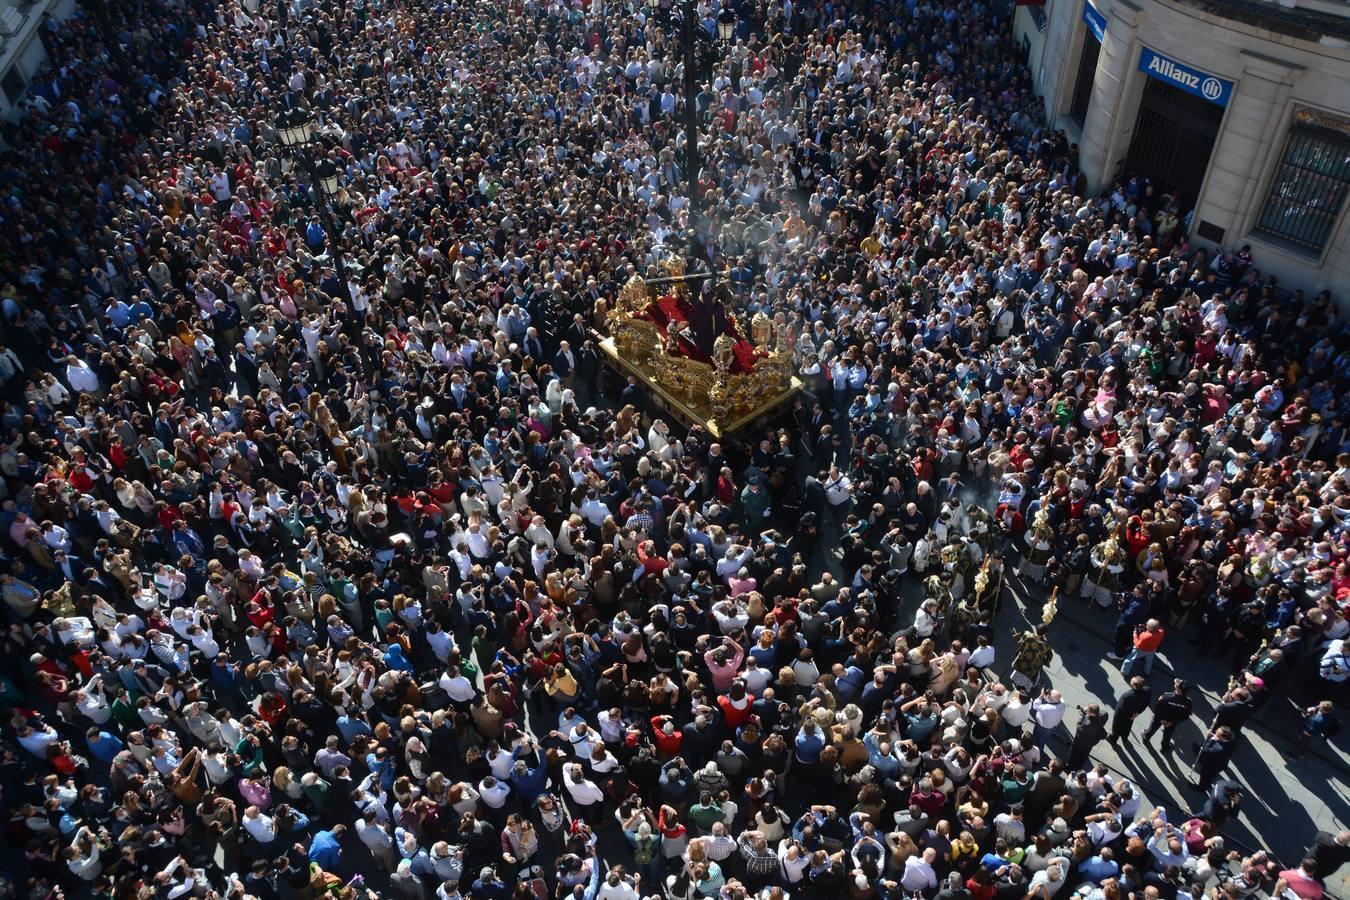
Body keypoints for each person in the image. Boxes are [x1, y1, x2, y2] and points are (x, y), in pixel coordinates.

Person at [1143, 681, 1193, 752]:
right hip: (1172, 721)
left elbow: (1158, 708)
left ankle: (1146, 737)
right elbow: (1185, 716)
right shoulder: (1188, 702)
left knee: (1153, 727)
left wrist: (1162, 720)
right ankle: (1164, 747)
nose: (1175, 684)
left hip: (1160, 717)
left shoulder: (1167, 696)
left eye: (1177, 685)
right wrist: (1171, 722)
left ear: (1179, 689)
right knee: (1168, 735)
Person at [1108, 677, 1152, 749]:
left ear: (1134, 686)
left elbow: (1121, 709)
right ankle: (1124, 737)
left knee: (1117, 727)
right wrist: (1137, 713)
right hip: (1133, 714)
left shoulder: (1127, 696)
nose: (1130, 682)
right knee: (1127, 726)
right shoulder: (1148, 690)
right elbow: (1147, 703)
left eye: (1131, 682)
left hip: (1122, 715)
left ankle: (1113, 739)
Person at [1067, 705, 1110, 770]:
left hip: (1081, 741)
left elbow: (1079, 728)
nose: (1085, 709)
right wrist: (1086, 714)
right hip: (1091, 741)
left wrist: (1081, 716)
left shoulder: (1086, 724)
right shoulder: (1104, 714)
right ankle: (1079, 767)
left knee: (1074, 753)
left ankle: (1070, 767)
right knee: (1084, 754)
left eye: (1087, 711)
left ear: (1092, 714)